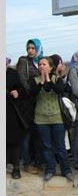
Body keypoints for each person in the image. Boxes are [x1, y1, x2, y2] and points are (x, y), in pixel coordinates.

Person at [29, 56, 73, 182]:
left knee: (60, 146)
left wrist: (48, 79)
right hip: (41, 119)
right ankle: (50, 169)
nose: (41, 66)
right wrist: (42, 82)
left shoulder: (57, 79)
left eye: (44, 64)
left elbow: (59, 90)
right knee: (46, 146)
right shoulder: (34, 80)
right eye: (40, 64)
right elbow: (32, 93)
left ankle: (66, 170)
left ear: (51, 67)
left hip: (57, 118)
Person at [15, 38, 43, 175]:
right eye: (29, 48)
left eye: (33, 48)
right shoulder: (23, 61)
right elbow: (23, 81)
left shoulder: (40, 62)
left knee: (37, 134)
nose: (31, 50)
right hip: (26, 104)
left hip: (38, 103)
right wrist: (32, 92)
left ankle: (38, 161)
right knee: (26, 134)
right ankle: (26, 163)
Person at [7, 58, 28, 179]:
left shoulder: (13, 74)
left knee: (13, 139)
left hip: (11, 110)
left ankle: (16, 168)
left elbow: (22, 89)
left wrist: (17, 92)